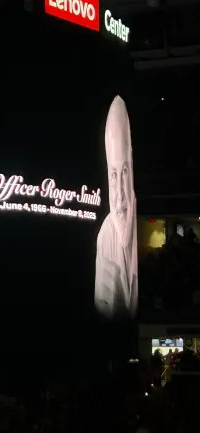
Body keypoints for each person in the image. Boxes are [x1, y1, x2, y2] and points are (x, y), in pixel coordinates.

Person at [94, 96, 138, 319]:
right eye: (113, 174)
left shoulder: (139, 222)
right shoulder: (105, 234)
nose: (120, 193)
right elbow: (103, 308)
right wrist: (103, 302)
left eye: (124, 172)